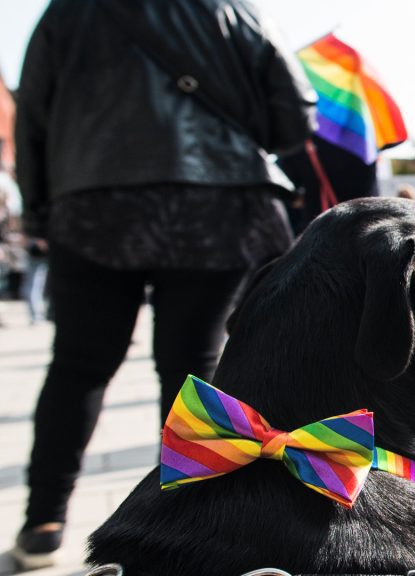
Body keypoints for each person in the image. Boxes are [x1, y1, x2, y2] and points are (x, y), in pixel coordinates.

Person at [12, 0, 316, 567]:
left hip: (94, 200)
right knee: (193, 367)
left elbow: (32, 113)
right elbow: (295, 110)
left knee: (79, 364)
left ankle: (45, 521)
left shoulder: (65, 13)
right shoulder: (229, 8)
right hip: (215, 202)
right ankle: (188, 524)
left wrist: (40, 213)